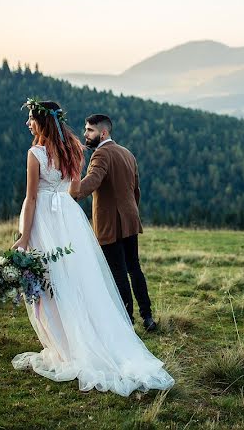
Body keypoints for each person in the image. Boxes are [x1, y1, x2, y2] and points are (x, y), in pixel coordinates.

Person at [11, 98, 174, 396]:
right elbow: (119, 188)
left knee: (81, 277)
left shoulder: (42, 154)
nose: (27, 123)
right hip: (96, 220)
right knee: (111, 273)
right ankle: (143, 317)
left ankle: (75, 340)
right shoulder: (96, 151)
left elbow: (50, 194)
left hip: (71, 221)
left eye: (31, 118)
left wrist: (27, 231)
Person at [69, 113, 157, 332]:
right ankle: (147, 317)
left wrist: (73, 191)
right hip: (129, 218)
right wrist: (132, 212)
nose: (85, 134)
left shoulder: (100, 155)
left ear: (103, 132)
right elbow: (136, 189)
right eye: (85, 129)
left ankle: (126, 322)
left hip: (110, 223)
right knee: (134, 268)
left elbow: (92, 181)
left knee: (118, 272)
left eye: (90, 130)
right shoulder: (127, 153)